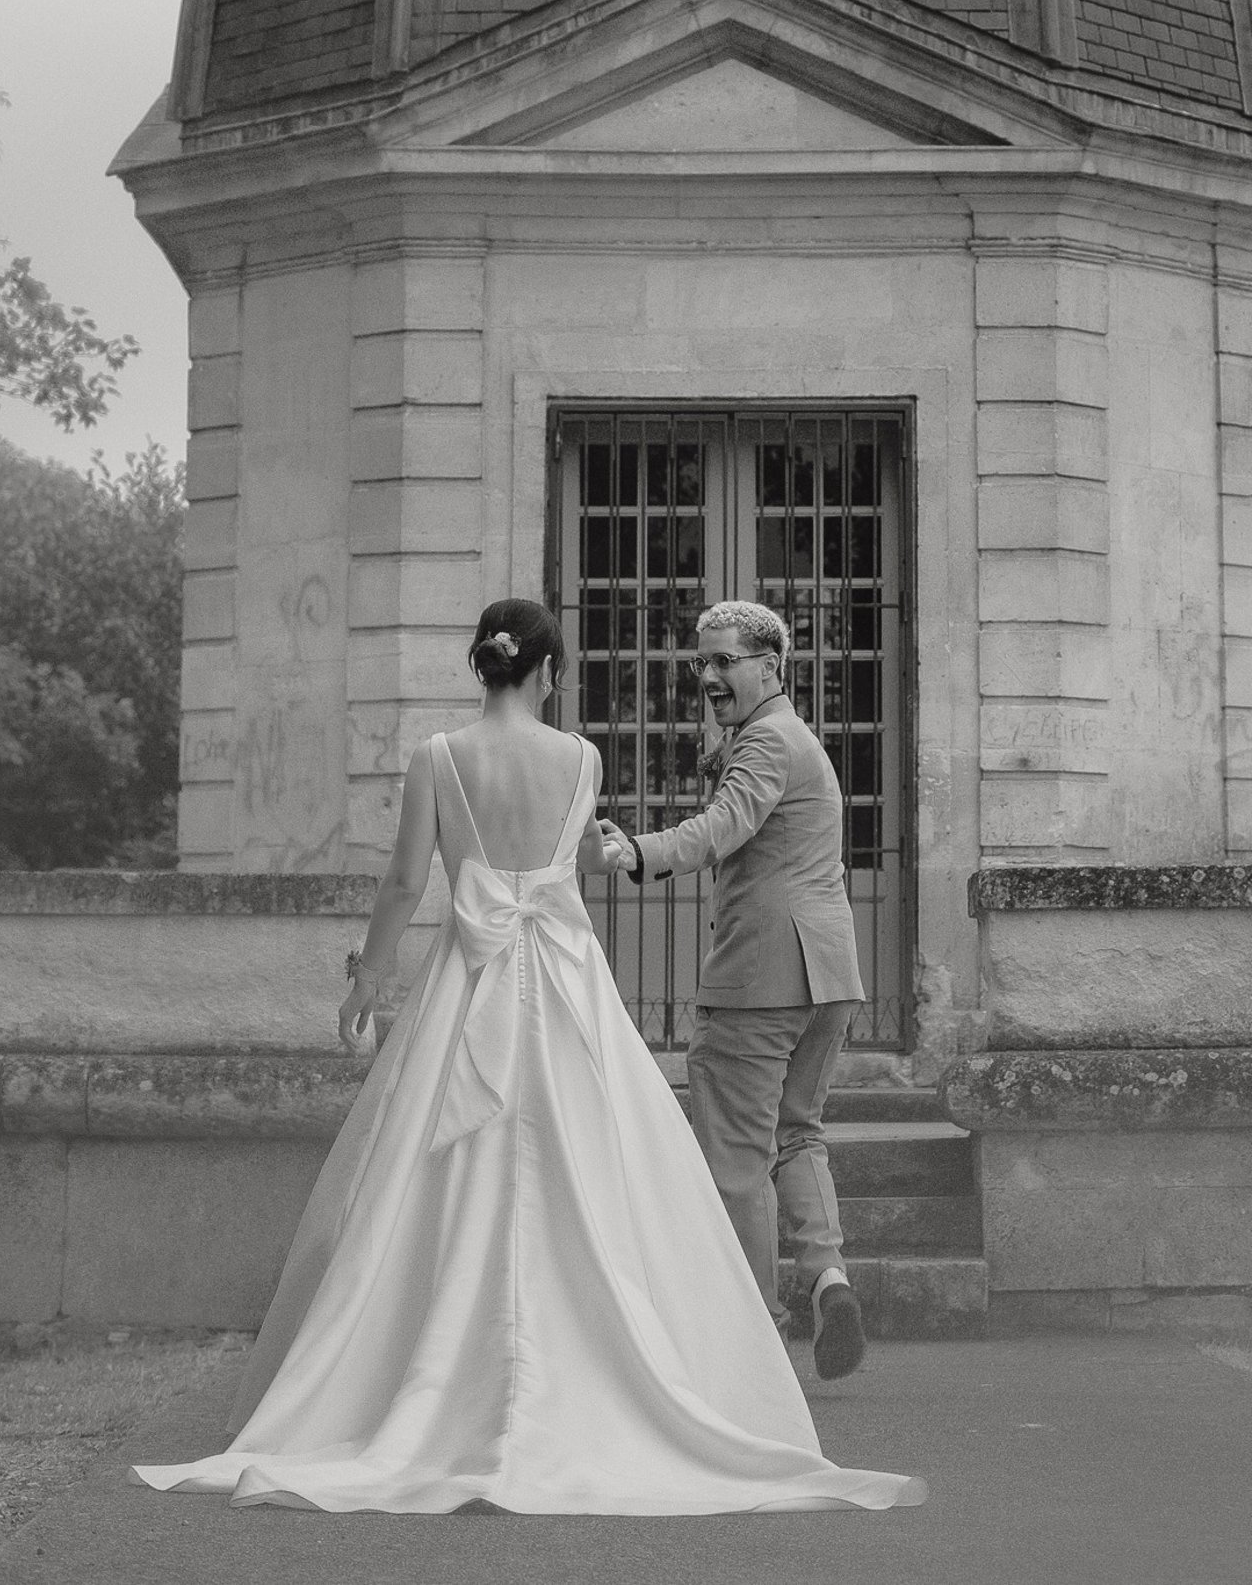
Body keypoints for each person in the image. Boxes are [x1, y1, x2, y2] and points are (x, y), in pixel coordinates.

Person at [131, 598, 921, 1517]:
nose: (707, 679)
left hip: (478, 975)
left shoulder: (437, 756)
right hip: (580, 976)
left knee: (438, 1174)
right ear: (550, 672)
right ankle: (759, 1313)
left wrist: (369, 978)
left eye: (719, 663)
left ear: (483, 667)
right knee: (610, 1163)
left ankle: (433, 1369)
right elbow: (576, 865)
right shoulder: (582, 757)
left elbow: (404, 880)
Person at [600, 598, 870, 1383]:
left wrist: (635, 850)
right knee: (798, 1133)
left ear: (771, 666)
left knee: (737, 1162)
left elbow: (722, 825)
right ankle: (828, 1278)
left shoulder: (766, 741)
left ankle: (752, 1347)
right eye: (702, 661)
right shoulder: (796, 739)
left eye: (725, 660)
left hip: (760, 980)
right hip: (830, 976)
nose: (709, 675)